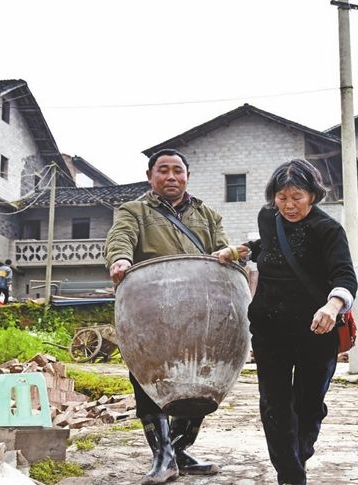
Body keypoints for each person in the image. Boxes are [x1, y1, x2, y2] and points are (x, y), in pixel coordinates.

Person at [214, 159, 357, 485]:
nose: (289, 205)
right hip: (270, 327)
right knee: (274, 406)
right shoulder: (268, 217)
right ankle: (290, 476)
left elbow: (345, 276)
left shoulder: (328, 230)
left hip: (316, 330)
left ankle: (300, 450)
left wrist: (332, 307)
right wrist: (240, 251)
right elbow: (270, 246)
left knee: (307, 404)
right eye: (282, 197)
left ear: (313, 195)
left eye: (297, 196)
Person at [105, 148, 228, 484]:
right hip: (150, 313)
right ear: (150, 176)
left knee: (201, 382)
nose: (171, 176)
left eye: (178, 170)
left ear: (187, 176)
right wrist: (119, 259)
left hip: (199, 313)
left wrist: (232, 257)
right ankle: (163, 457)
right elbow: (120, 238)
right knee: (148, 381)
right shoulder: (134, 211)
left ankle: (179, 449)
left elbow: (222, 251)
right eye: (163, 170)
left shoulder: (207, 215)